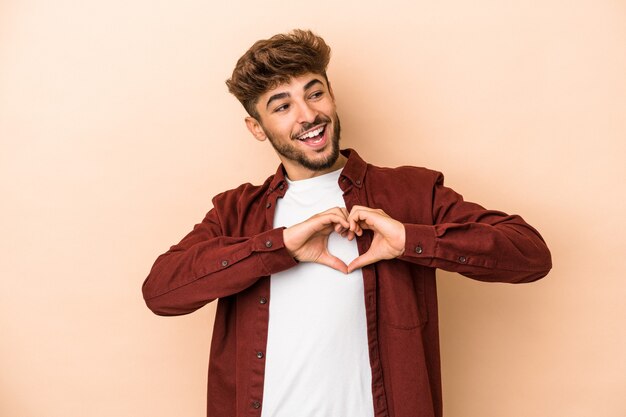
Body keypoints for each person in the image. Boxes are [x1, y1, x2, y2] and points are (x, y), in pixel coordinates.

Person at [142, 29, 552, 417]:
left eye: (314, 93)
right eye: (282, 106)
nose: (308, 115)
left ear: (332, 96)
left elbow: (530, 254)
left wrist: (411, 239)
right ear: (257, 128)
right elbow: (161, 291)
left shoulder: (410, 192)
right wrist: (277, 247)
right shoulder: (235, 212)